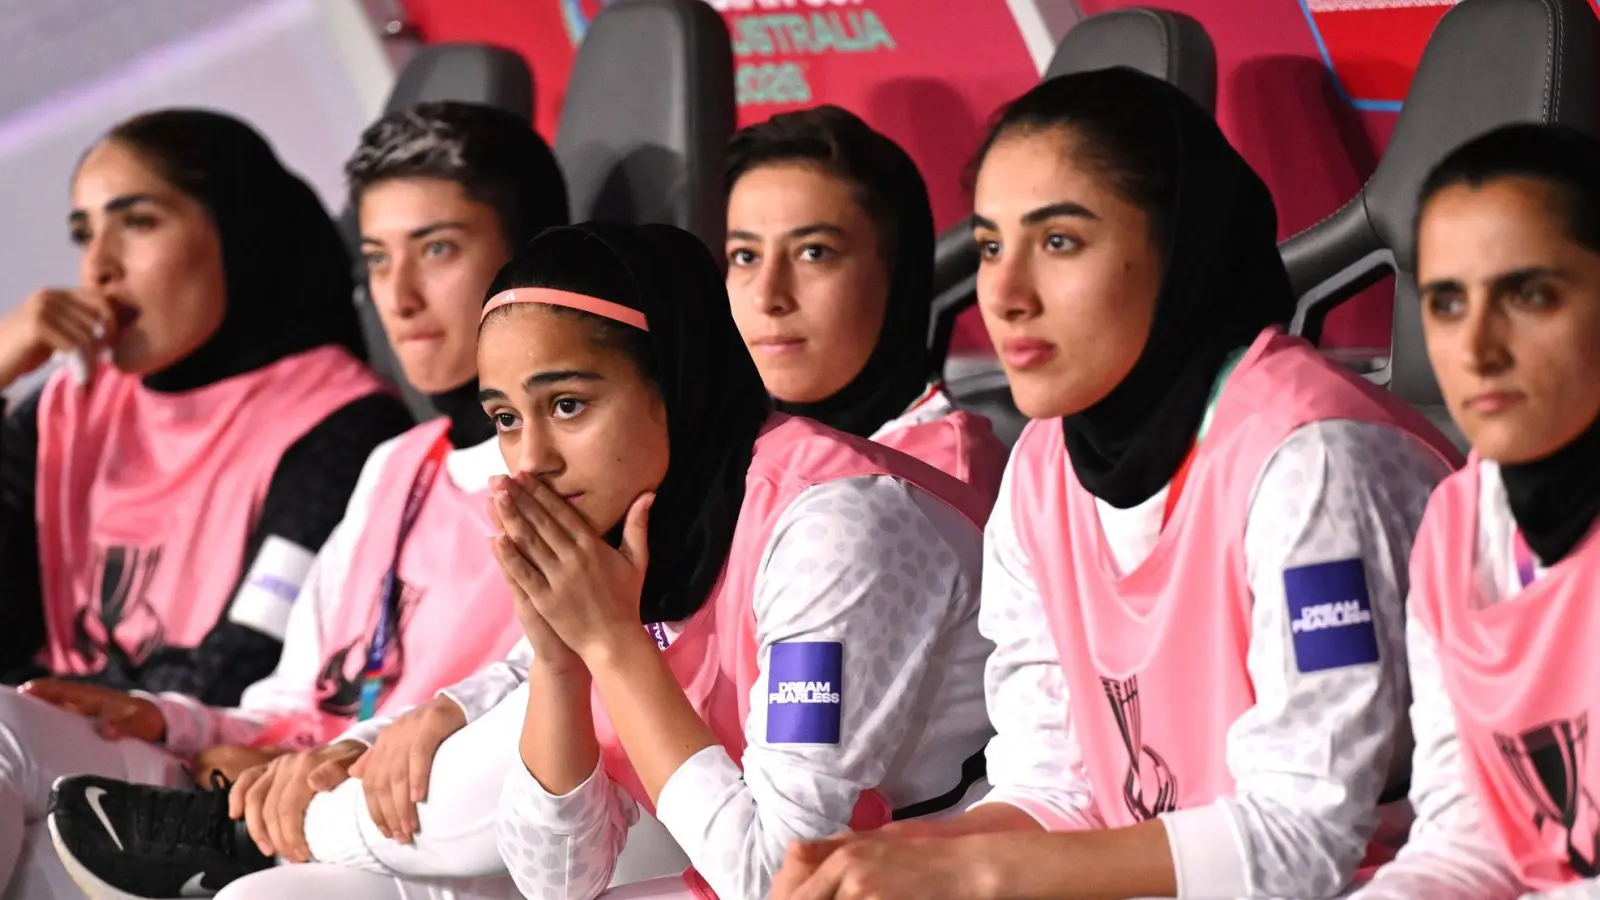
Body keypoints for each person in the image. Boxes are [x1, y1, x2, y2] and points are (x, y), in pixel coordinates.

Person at [64, 221, 999, 900]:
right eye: (508, 419)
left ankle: (265, 833)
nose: (533, 460)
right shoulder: (652, 531)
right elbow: (560, 877)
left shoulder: (836, 529)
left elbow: (781, 877)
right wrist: (556, 664)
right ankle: (266, 852)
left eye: (568, 405)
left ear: (673, 377)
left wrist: (612, 647)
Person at [770, 67, 1463, 900]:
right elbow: (1059, 793)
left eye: (1059, 242)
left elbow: (1301, 838)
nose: (1006, 293)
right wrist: (882, 862)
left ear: (1179, 251)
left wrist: (971, 868)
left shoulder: (1315, 459)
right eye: (991, 245)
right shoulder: (1044, 464)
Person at [34, 102, 570, 900]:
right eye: (379, 260)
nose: (402, 297)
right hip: (269, 788)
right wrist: (165, 719)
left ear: (529, 255)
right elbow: (290, 698)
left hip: (418, 822)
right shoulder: (400, 463)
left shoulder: (565, 466)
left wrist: (325, 765)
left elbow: (538, 700)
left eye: (437, 250)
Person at [0, 109, 413, 896]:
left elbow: (248, 660)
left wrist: (108, 706)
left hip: (198, 760)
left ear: (234, 229)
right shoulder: (71, 406)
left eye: (138, 223)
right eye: (84, 235)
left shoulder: (338, 420)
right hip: (51, 757)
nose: (99, 270)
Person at [1347, 126, 1600, 900]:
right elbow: (1467, 835)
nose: (1478, 347)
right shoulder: (1458, 519)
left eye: (1529, 295)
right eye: (1448, 302)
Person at [724, 106, 1007, 499]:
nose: (767, 296)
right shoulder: (724, 446)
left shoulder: (932, 480)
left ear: (898, 274)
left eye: (814, 253)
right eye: (745, 256)